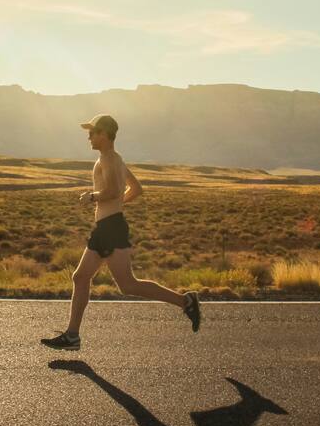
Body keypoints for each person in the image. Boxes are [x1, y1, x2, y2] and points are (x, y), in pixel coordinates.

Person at [41, 114, 201, 350]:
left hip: (111, 229)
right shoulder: (115, 159)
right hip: (106, 226)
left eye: (92, 132)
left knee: (127, 285)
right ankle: (72, 335)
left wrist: (93, 197)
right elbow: (135, 189)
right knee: (81, 277)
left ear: (104, 134)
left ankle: (185, 301)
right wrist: (116, 205)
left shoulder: (108, 159)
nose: (89, 136)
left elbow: (114, 189)